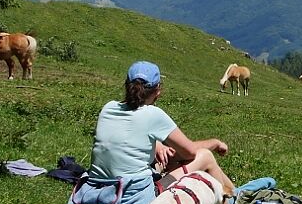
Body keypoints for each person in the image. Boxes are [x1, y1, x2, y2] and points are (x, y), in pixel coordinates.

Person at [89, 60, 235, 194]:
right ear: (158, 90)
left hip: (96, 192)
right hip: (133, 197)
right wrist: (216, 143)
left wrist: (159, 147)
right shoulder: (153, 114)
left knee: (170, 158)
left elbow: (128, 136)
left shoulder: (108, 107)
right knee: (205, 156)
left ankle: (234, 193)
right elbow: (190, 152)